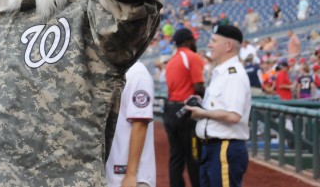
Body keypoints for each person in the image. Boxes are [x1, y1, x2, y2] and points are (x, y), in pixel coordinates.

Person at [185, 25, 251, 187]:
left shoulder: (233, 75)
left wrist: (203, 113)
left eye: (214, 41)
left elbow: (233, 115)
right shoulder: (221, 73)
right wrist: (201, 108)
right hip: (212, 148)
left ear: (228, 46)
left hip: (224, 148)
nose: (209, 45)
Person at [163, 28, 204, 187]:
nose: (195, 42)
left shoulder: (172, 60)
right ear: (188, 41)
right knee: (194, 156)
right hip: (186, 111)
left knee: (176, 157)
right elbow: (199, 87)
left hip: (171, 111)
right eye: (193, 39)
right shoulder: (191, 57)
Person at [106, 61, 156, 187]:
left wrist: (131, 174)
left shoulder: (137, 74)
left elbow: (140, 124)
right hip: (114, 171)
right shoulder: (116, 69)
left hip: (131, 178)